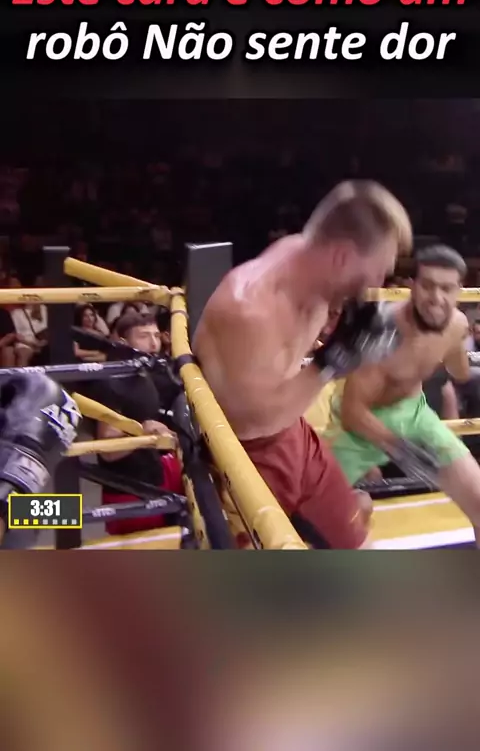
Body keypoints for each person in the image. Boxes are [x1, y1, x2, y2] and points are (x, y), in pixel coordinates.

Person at [193, 180, 413, 549]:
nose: (377, 284)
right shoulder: (250, 309)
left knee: (359, 547)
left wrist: (345, 339)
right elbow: (258, 419)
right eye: (377, 271)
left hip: (295, 434)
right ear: (342, 257)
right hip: (246, 457)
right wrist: (334, 359)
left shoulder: (309, 261)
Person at [325, 245, 480, 546]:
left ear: (459, 291)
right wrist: (403, 451)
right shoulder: (381, 332)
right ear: (412, 286)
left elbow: (458, 370)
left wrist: (467, 371)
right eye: (428, 286)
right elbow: (353, 413)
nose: (436, 298)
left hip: (415, 413)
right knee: (312, 520)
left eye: (447, 288)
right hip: (357, 429)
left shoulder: (457, 324)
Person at [89, 311, 182, 536]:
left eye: (156, 336)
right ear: (123, 342)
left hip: (155, 477)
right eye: (143, 336)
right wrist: (143, 433)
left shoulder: (144, 373)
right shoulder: (110, 382)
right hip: (128, 488)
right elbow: (108, 451)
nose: (153, 343)